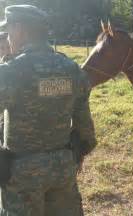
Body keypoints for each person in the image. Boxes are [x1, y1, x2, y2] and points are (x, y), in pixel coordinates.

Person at [0, 5, 97, 216]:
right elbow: (86, 132)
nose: (7, 39)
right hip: (62, 168)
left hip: (21, 174)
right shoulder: (72, 69)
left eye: (8, 32)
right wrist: (72, 156)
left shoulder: (11, 72)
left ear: (20, 31)